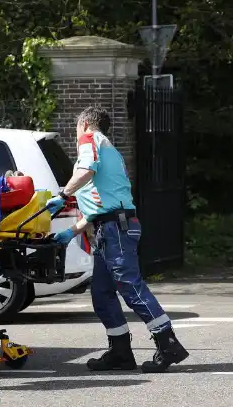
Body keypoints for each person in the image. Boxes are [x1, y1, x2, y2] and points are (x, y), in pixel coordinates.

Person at [44, 105, 189, 373]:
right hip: (110, 227)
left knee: (129, 287)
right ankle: (120, 351)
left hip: (115, 229)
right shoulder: (109, 150)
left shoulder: (91, 139)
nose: (76, 136)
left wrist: (63, 194)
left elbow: (86, 172)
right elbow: (103, 204)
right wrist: (71, 232)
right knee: (101, 292)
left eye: (76, 129)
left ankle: (168, 343)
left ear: (85, 124)